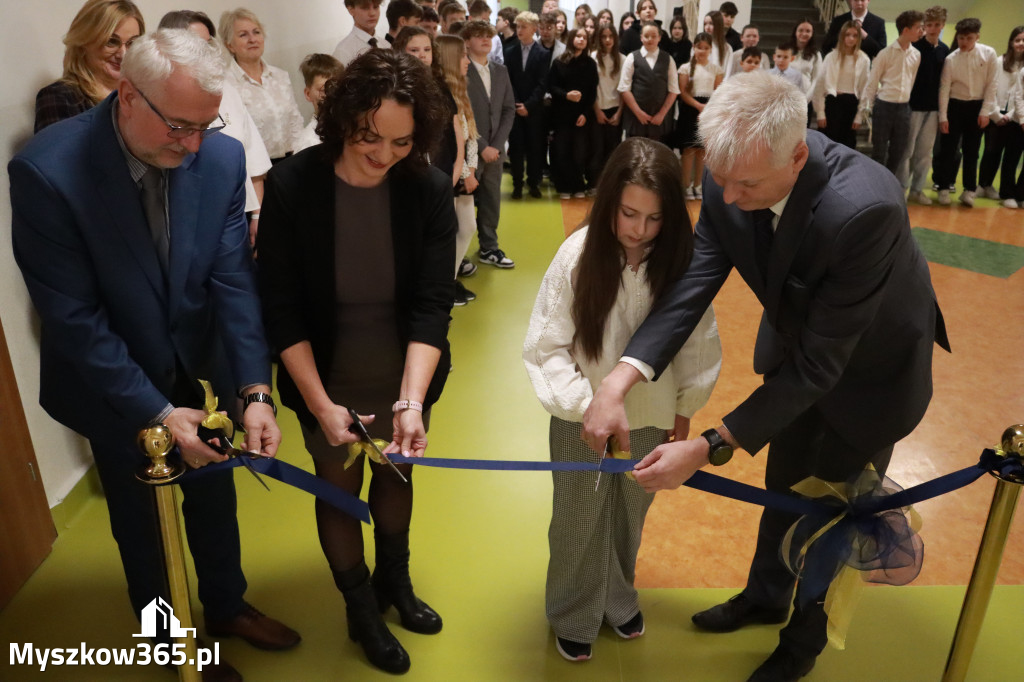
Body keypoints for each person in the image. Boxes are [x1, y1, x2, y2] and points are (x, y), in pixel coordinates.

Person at [581, 70, 949, 682]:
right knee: (784, 487)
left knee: (832, 515)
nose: (725, 197)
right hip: (799, 355)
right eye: (719, 178)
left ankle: (802, 638)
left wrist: (707, 447)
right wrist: (618, 380)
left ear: (798, 155)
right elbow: (690, 291)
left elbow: (821, 366)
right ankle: (765, 595)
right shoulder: (735, 181)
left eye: (745, 183)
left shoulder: (865, 209)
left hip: (869, 379)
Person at [11, 29, 302, 681]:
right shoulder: (48, 172)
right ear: (126, 95)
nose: (193, 144)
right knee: (142, 519)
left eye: (206, 124)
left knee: (213, 494)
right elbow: (74, 319)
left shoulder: (220, 159)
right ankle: (166, 641)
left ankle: (226, 606)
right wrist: (156, 411)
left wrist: (254, 389)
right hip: (110, 378)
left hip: (194, 363)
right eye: (177, 127)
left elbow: (231, 279)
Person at [256, 49, 455, 675]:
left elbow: (431, 306)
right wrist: (320, 405)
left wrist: (410, 402)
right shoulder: (295, 186)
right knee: (340, 490)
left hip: (403, 373)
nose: (384, 154)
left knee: (397, 476)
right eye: (370, 137)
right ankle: (359, 606)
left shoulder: (424, 187)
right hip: (326, 377)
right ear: (342, 118)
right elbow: (281, 309)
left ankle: (395, 583)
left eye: (401, 142)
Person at [524, 137, 721, 663]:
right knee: (577, 518)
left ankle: (617, 597)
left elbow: (696, 340)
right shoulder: (577, 255)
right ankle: (572, 610)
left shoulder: (681, 262)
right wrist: (582, 404)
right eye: (628, 213)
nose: (638, 229)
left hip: (652, 420)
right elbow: (546, 346)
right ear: (609, 199)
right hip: (581, 419)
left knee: (630, 516)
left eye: (654, 218)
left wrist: (685, 407)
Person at [158, 9, 274, 247]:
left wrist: (258, 215)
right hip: (192, 217)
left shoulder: (226, 88)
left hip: (239, 210)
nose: (206, 52)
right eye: (195, 44)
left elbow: (251, 155)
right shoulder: (160, 96)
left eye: (208, 43)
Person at [35, 0, 144, 133]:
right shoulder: (59, 97)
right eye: (111, 41)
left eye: (132, 43)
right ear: (84, 42)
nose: (123, 54)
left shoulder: (142, 94)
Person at [462, 19, 517, 268]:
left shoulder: (501, 71)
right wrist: (482, 145)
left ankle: (489, 247)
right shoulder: (462, 71)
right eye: (478, 35)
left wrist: (496, 144)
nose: (485, 39)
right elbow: (463, 114)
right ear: (466, 41)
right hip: (469, 149)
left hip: (495, 149)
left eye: (489, 35)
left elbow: (508, 110)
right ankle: (458, 252)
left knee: (491, 199)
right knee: (462, 202)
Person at [220, 8, 305, 164]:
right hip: (256, 168)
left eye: (256, 32)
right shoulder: (226, 85)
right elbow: (234, 135)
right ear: (230, 45)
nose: (252, 39)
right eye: (243, 35)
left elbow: (295, 122)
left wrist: (299, 158)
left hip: (292, 161)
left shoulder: (280, 76)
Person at [935, 17, 999, 207]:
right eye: (961, 38)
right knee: (948, 150)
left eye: (969, 38)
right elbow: (945, 88)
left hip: (977, 107)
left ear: (977, 37)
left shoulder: (989, 54)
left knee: (972, 151)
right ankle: (944, 188)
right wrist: (943, 116)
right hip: (955, 106)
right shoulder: (951, 59)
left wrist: (985, 111)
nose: (964, 42)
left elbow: (992, 84)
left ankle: (969, 191)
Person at [436, 35, 481, 304]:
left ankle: (449, 280)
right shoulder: (442, 94)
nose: (468, 61)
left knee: (467, 227)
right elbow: (449, 146)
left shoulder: (460, 91)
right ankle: (444, 287)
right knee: (451, 232)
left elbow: (469, 136)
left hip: (464, 172)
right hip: (452, 173)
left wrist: (471, 170)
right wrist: (466, 173)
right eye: (463, 56)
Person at [860, 11, 924, 174]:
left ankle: (889, 188)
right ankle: (876, 188)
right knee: (879, 151)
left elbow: (912, 81)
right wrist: (867, 107)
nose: (921, 31)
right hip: (884, 107)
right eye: (918, 27)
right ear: (905, 29)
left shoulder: (916, 55)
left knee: (898, 152)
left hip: (903, 108)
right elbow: (872, 83)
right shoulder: (885, 54)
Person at [899, 5, 950, 206]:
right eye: (928, 24)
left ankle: (917, 189)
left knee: (924, 152)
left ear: (943, 25)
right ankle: (901, 187)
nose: (932, 28)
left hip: (933, 109)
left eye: (937, 24)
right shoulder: (915, 48)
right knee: (907, 151)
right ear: (924, 26)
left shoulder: (945, 51)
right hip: (913, 106)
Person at [504, 11, 551, 199]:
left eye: (523, 27)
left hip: (534, 110)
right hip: (516, 109)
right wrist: (517, 104)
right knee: (516, 148)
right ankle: (517, 184)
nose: (519, 30)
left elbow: (542, 83)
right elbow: (509, 81)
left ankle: (533, 183)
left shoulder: (543, 54)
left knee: (535, 148)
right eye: (518, 26)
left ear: (534, 29)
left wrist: (529, 106)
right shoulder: (510, 51)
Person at [549, 27, 598, 198]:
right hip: (562, 115)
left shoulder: (591, 64)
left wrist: (585, 113)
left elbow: (592, 93)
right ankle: (564, 187)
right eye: (578, 36)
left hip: (581, 116)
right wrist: (566, 95)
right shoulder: (559, 62)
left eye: (584, 37)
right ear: (571, 39)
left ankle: (578, 186)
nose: (581, 40)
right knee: (562, 152)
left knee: (579, 153)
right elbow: (552, 87)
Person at [977, 26, 1024, 207]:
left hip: (1015, 116)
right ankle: (984, 184)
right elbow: (991, 87)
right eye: (1017, 39)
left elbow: (1020, 96)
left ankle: (1003, 190)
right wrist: (995, 113)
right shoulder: (999, 61)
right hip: (995, 112)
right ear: (1011, 42)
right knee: (991, 151)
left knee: (1010, 155)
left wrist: (1012, 114)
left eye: (1023, 40)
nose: (1021, 43)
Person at [676, 32, 724, 201]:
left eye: (706, 48)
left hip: (708, 109)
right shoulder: (685, 68)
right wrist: (698, 106)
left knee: (702, 150)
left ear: (711, 49)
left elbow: (718, 92)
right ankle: (686, 185)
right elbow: (682, 92)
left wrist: (707, 109)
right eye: (699, 47)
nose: (702, 51)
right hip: (690, 109)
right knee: (689, 149)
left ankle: (698, 185)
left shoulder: (716, 69)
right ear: (693, 47)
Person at [618, 21, 679, 142]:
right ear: (641, 38)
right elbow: (624, 88)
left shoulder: (668, 59)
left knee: (655, 155)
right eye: (646, 36)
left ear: (659, 38)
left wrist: (662, 114)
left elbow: (674, 90)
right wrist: (638, 113)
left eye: (654, 36)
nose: (650, 39)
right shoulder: (632, 57)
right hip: (636, 117)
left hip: (659, 119)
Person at [813, 20, 870, 149]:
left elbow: (865, 88)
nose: (851, 38)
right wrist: (820, 112)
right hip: (833, 102)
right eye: (847, 34)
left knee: (847, 144)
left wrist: (859, 115)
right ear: (842, 36)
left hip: (851, 103)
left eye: (855, 35)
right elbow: (820, 86)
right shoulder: (831, 57)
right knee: (828, 142)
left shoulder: (864, 59)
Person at [590, 25, 624, 182]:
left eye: (611, 36)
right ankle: (595, 182)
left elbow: (624, 89)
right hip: (598, 108)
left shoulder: (622, 59)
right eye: (604, 36)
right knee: (597, 148)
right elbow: (591, 87)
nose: (608, 40)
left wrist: (619, 113)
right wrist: (597, 111)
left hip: (615, 109)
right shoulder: (593, 56)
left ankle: (610, 183)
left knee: (613, 149)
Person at [293, 53, 345, 153]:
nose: (332, 94)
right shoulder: (308, 143)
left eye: (337, 87)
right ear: (308, 94)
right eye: (323, 90)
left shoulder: (349, 128)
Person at [822, 0, 886, 60]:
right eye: (856, 0)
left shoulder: (878, 23)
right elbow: (826, 47)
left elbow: (882, 52)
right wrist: (844, 34)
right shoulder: (838, 21)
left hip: (865, 66)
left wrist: (866, 37)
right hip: (840, 64)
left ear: (868, 0)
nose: (859, 3)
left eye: (862, 0)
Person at [334, 0, 383, 66]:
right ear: (351, 10)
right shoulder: (343, 51)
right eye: (365, 8)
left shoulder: (386, 45)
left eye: (376, 7)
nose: (372, 13)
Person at [467, 0, 504, 65]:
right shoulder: (464, 37)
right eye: (483, 20)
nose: (486, 24)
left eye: (487, 20)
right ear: (470, 19)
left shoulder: (494, 38)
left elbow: (499, 62)